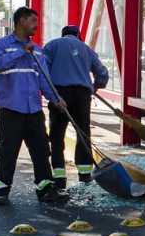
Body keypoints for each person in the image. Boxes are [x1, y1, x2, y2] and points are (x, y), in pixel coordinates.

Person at [0, 7, 70, 206]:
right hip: (10, 108)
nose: (36, 24)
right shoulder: (3, 45)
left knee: (41, 150)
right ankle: (2, 190)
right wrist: (20, 53)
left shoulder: (38, 50)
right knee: (9, 150)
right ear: (22, 21)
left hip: (33, 109)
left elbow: (44, 79)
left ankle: (45, 190)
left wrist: (56, 99)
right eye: (33, 20)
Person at [44, 25, 109, 189]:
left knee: (57, 136)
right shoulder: (86, 49)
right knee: (83, 134)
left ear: (63, 34)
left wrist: (49, 92)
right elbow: (102, 73)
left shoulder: (52, 45)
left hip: (59, 95)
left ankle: (59, 177)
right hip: (82, 96)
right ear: (78, 36)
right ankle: (85, 175)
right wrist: (95, 86)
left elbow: (43, 70)